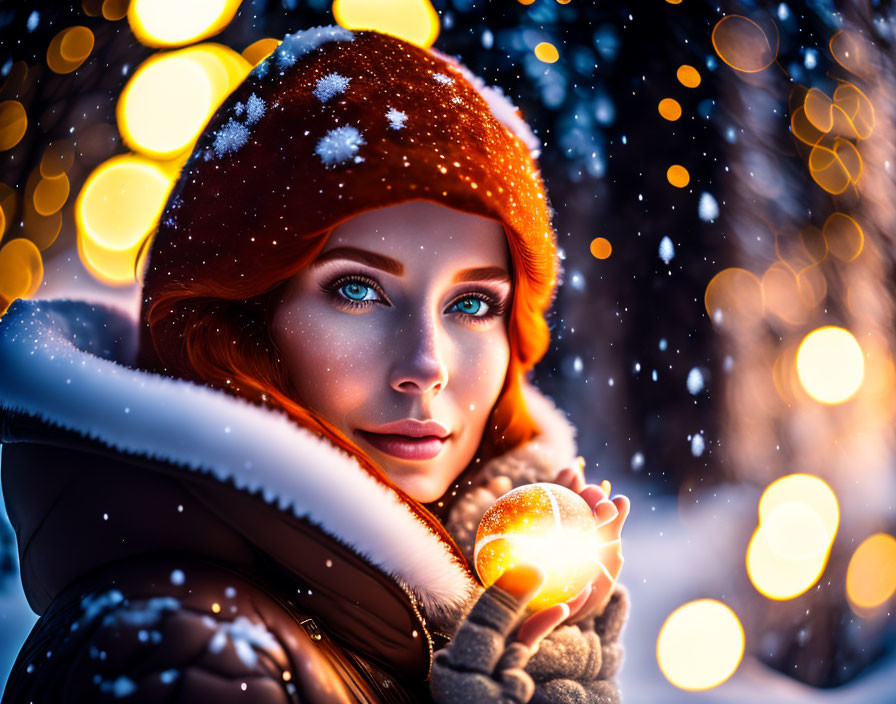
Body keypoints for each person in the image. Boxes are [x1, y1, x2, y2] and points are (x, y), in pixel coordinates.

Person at [0, 26, 629, 703]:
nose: (426, 365)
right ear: (241, 321)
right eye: (357, 289)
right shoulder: (189, 654)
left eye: (473, 303)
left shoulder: (418, 630)